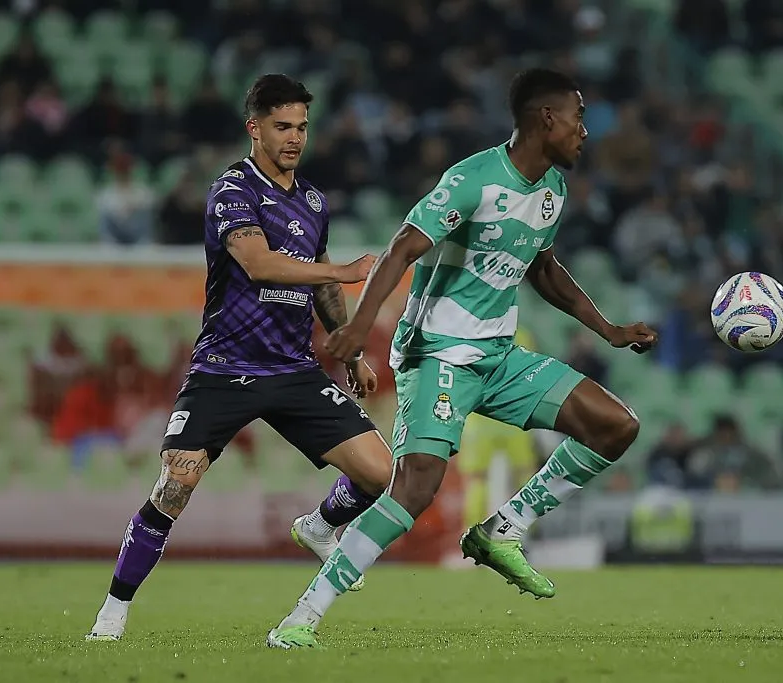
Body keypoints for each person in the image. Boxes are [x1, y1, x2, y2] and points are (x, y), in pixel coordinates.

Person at [266, 68, 658, 650]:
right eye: (577, 118)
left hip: (499, 355)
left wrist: (608, 329)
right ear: (545, 118)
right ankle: (301, 618)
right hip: (438, 353)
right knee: (416, 487)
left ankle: (505, 528)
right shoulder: (473, 179)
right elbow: (403, 246)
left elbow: (542, 267)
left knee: (615, 425)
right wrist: (358, 327)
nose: (584, 132)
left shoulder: (552, 188)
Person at [86, 74, 393, 641]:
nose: (294, 138)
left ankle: (322, 525)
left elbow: (318, 286)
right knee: (175, 485)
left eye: (301, 126)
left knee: (382, 473)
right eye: (282, 127)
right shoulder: (232, 190)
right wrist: (346, 271)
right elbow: (259, 263)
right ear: (254, 128)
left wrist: (346, 346)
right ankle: (113, 611)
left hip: (293, 368)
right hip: (224, 368)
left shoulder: (315, 201)